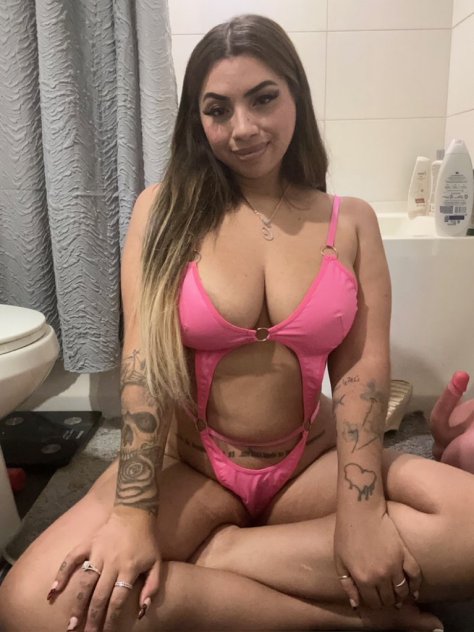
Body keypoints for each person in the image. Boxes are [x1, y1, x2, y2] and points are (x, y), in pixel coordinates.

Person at [0, 13, 472, 632]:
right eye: (217, 109)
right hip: (192, 467)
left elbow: (362, 372)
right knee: (28, 606)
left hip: (308, 462)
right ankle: (350, 620)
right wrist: (134, 516)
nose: (242, 128)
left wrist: (361, 515)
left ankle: (219, 557)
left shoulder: (351, 220)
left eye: (263, 98)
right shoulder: (162, 211)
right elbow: (143, 364)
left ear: (295, 95)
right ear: (196, 120)